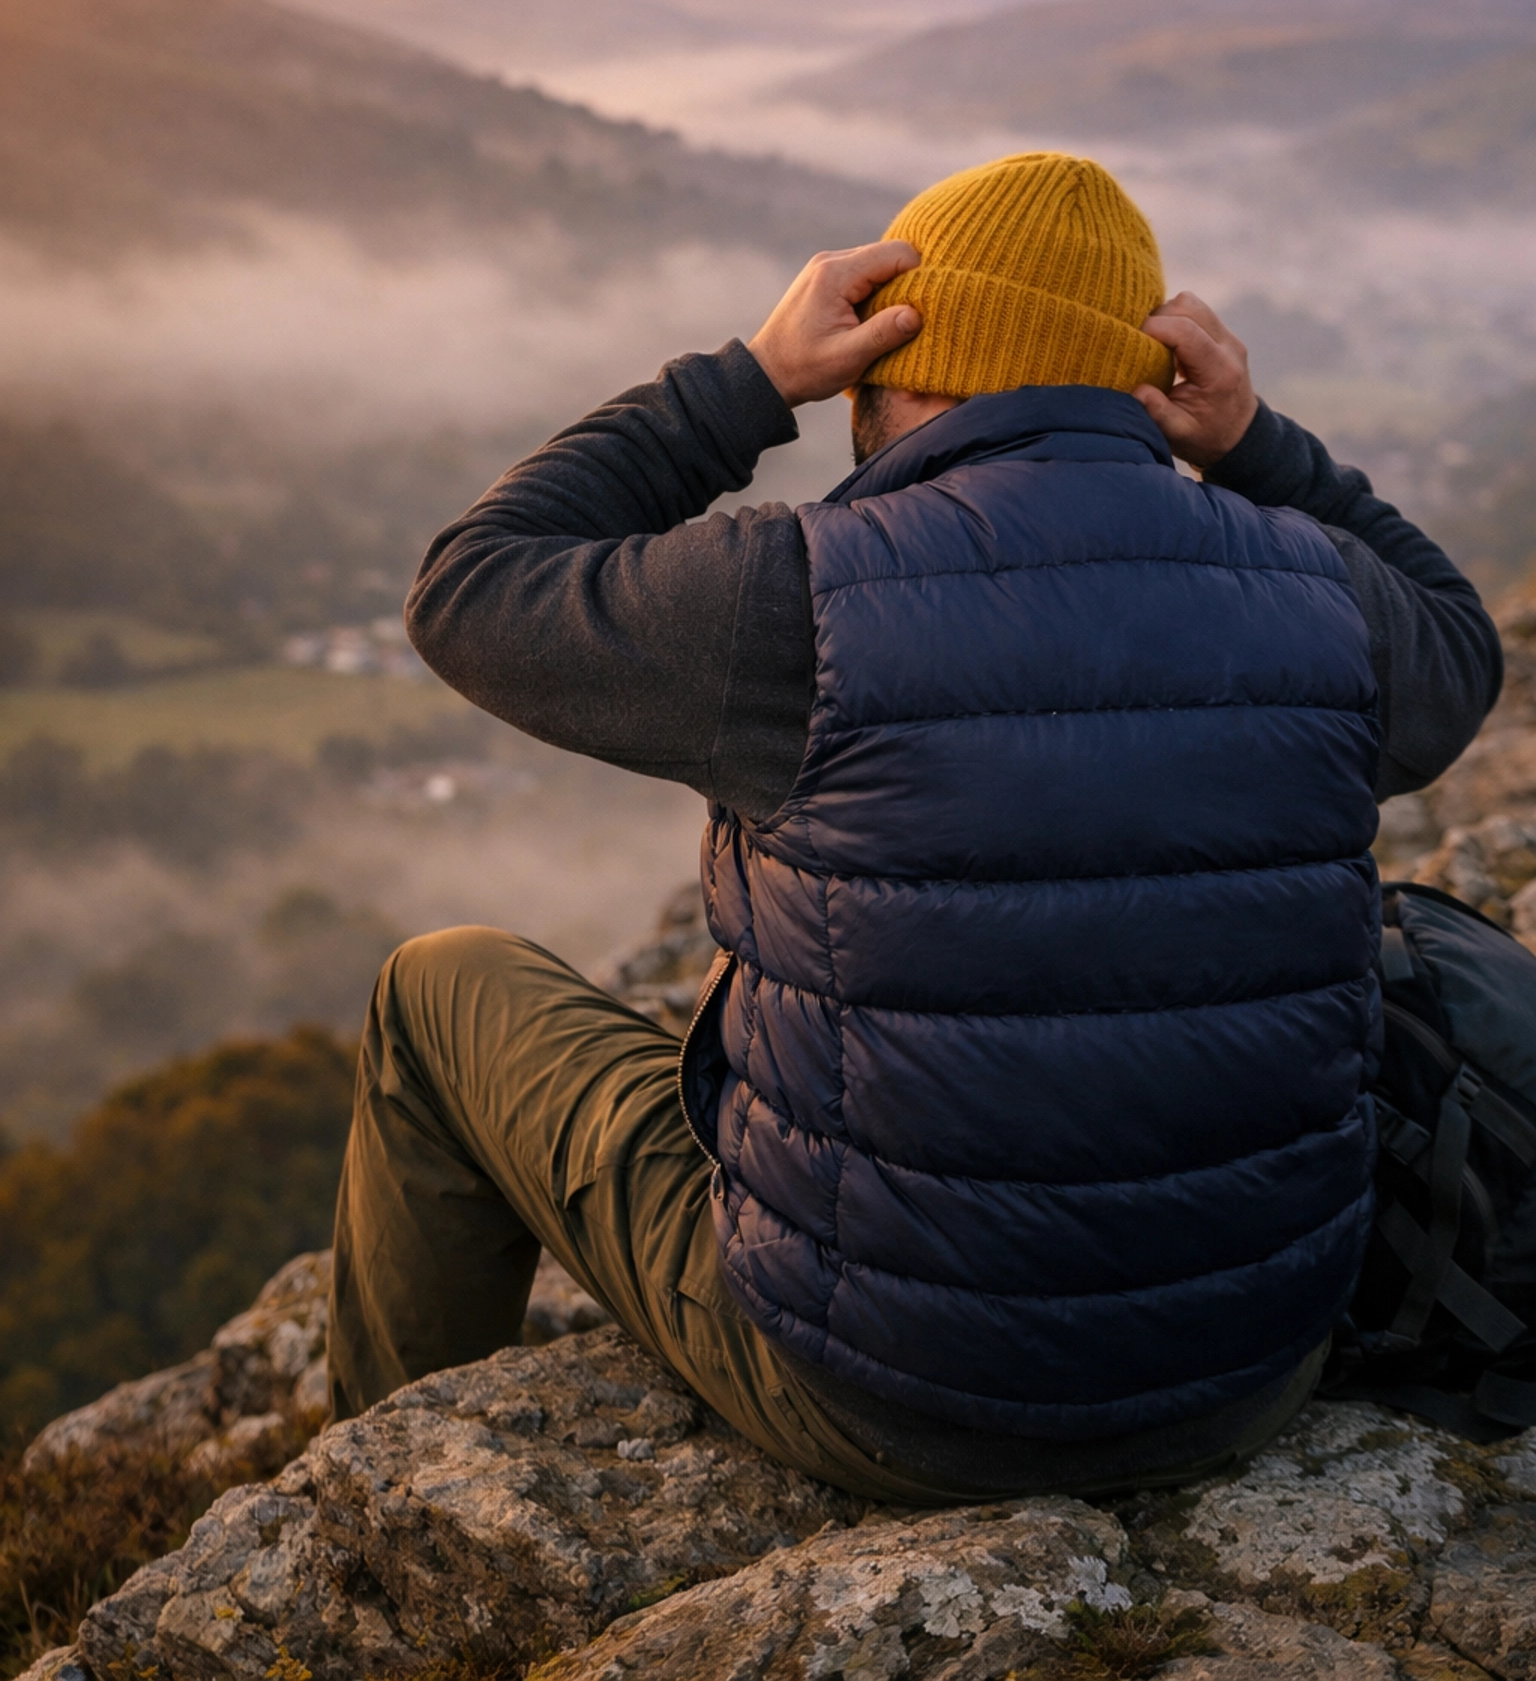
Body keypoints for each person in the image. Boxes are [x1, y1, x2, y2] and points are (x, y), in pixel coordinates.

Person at [327, 150, 1502, 1501]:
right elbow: (1462, 653)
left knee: (438, 989)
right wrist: (1256, 446)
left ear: (889, 360)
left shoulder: (801, 595)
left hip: (891, 1394)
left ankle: (378, 1494)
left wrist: (750, 382)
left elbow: (468, 588)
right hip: (1250, 1371)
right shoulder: (1326, 594)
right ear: (1137, 382)